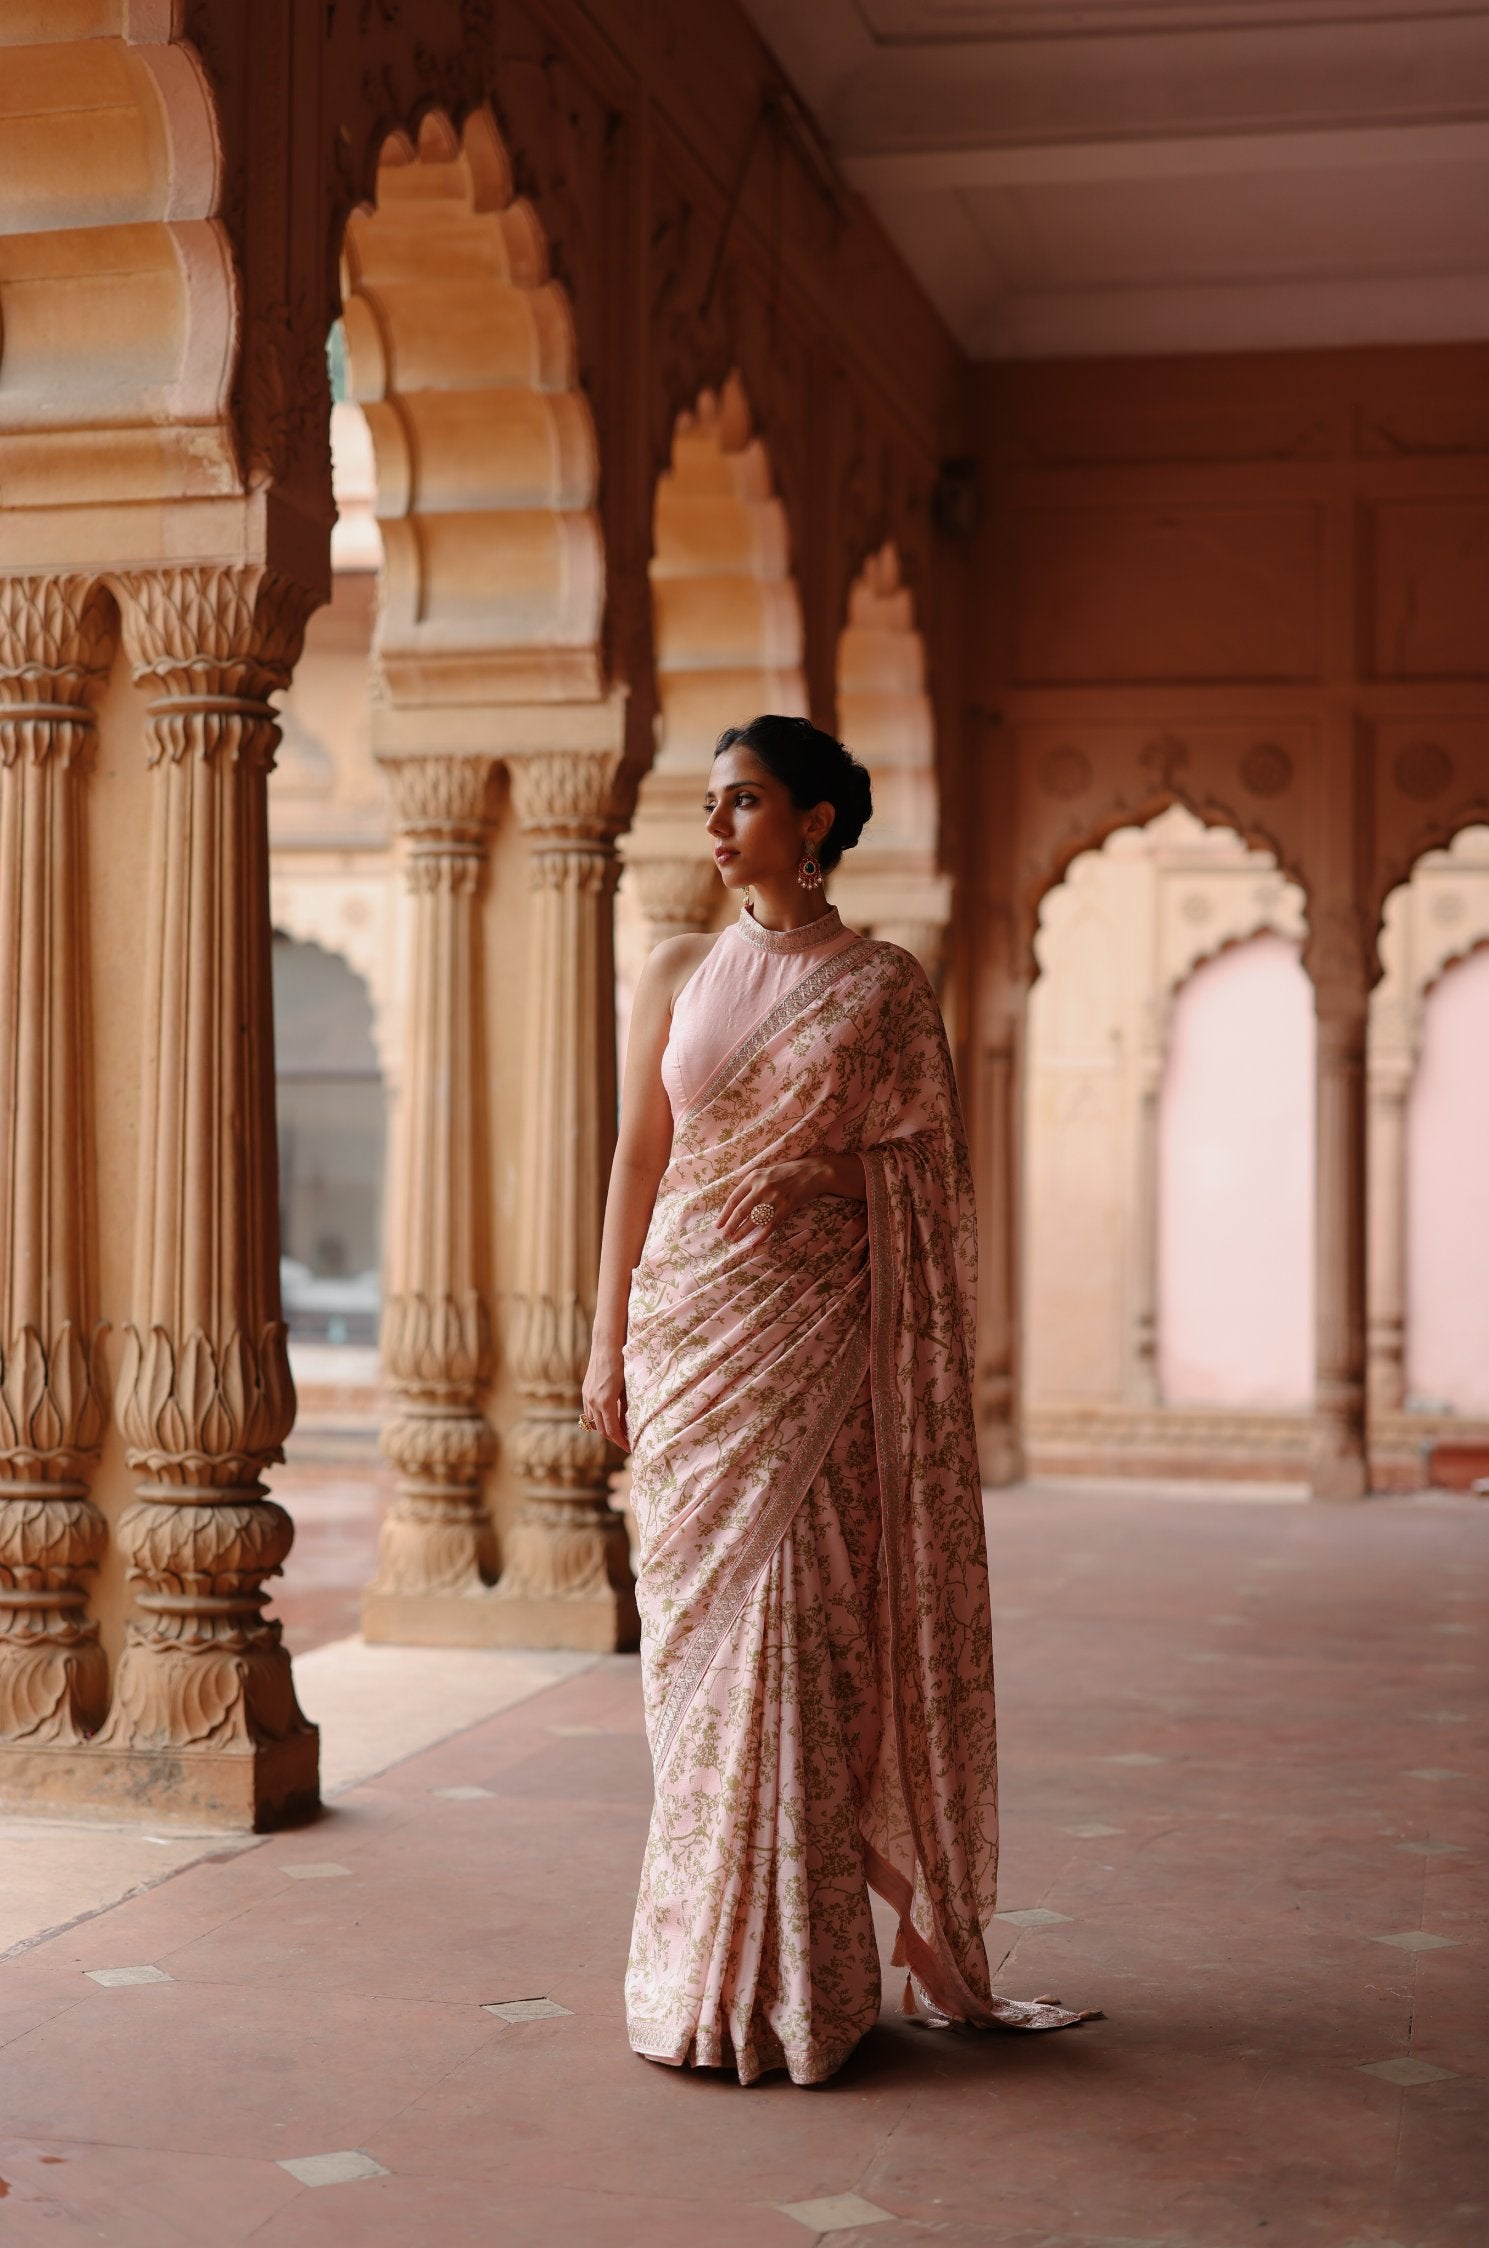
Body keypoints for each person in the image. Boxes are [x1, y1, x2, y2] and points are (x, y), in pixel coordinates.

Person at [582, 713, 1095, 2086]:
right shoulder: (674, 970)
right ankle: (697, 1975)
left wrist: (845, 1239)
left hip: (818, 1358)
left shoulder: (881, 990)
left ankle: (804, 1993)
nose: (715, 825)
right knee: (697, 1672)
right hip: (692, 1356)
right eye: (709, 802)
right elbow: (640, 1162)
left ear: (813, 823)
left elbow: (922, 1197)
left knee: (801, 1657)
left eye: (742, 800)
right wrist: (603, 1337)